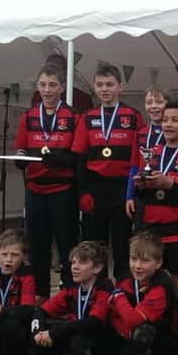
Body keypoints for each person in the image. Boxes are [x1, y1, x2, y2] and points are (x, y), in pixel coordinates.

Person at [131, 100, 178, 334]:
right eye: (165, 120)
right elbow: (141, 192)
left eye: (175, 120)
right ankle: (156, 333)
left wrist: (169, 184)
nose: (168, 124)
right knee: (147, 285)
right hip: (149, 230)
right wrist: (140, 185)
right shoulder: (151, 154)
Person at [14, 64, 80, 304]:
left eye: (53, 85)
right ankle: (40, 294)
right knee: (37, 246)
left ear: (62, 87)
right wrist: (20, 159)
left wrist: (63, 159)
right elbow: (20, 146)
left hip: (63, 190)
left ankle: (69, 294)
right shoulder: (28, 116)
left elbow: (78, 156)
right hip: (35, 190)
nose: (47, 90)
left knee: (67, 246)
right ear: (37, 87)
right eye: (43, 85)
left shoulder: (73, 116)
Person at [72, 64, 144, 281]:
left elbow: (138, 159)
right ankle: (98, 289)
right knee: (95, 243)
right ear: (94, 87)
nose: (105, 89)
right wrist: (83, 192)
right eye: (100, 85)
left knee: (123, 241)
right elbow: (79, 158)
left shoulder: (133, 116)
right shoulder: (87, 117)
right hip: (95, 187)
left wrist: (132, 193)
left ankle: (123, 287)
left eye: (110, 84)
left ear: (120, 87)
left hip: (122, 187)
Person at [88, 231, 178, 355]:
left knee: (142, 333)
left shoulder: (161, 287)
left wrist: (118, 296)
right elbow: (115, 317)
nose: (137, 266)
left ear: (158, 263)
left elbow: (132, 320)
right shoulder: (126, 282)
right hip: (132, 343)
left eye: (145, 260)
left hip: (164, 346)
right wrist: (126, 329)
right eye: (133, 259)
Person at [32, 241, 114, 355]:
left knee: (78, 340)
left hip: (102, 341)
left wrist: (55, 333)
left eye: (82, 262)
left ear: (97, 268)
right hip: (77, 334)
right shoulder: (72, 289)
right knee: (38, 338)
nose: (74, 267)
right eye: (73, 262)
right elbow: (40, 311)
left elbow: (94, 322)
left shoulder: (105, 288)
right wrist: (38, 332)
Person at [125, 85, 171, 220]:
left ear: (168, 104)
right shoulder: (141, 133)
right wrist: (129, 196)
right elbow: (134, 166)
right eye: (149, 102)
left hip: (168, 190)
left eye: (159, 102)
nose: (154, 106)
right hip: (145, 193)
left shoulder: (175, 131)